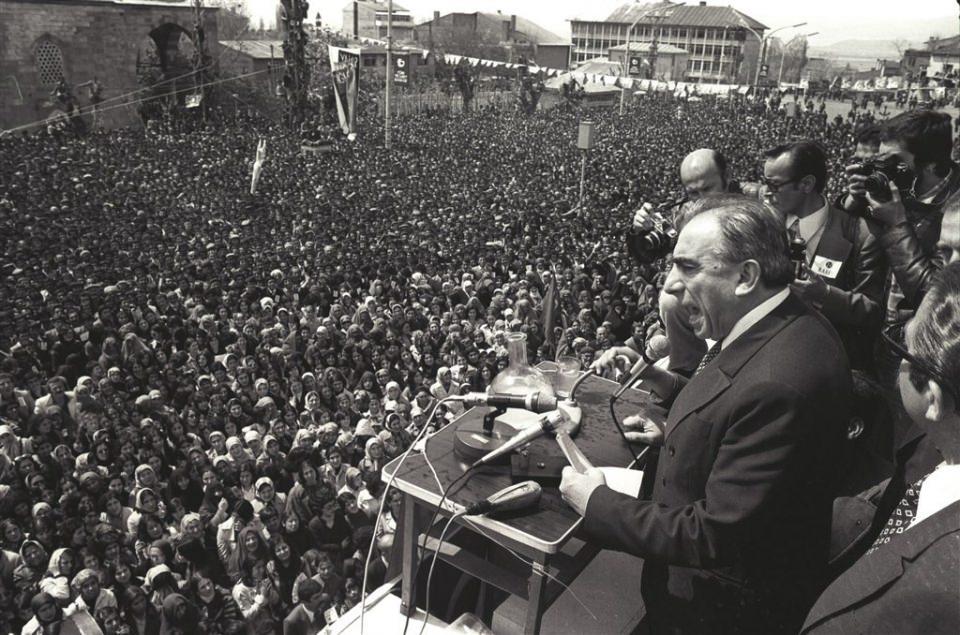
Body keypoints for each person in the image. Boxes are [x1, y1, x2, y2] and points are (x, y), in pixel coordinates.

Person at [564, 197, 852, 634]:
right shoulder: (778, 323)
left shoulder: (779, 383)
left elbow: (717, 533)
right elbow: (733, 417)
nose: (672, 284)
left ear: (747, 276)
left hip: (719, 613)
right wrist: (665, 394)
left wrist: (598, 505)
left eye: (689, 267)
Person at [801, 262, 960, 634]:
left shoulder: (943, 579)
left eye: (901, 345)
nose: (896, 358)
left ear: (933, 398)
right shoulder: (931, 447)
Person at [761, 140, 886, 372]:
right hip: (769, 356)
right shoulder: (766, 225)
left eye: (775, 184)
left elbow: (873, 311)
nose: (767, 192)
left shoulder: (860, 234)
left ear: (807, 184)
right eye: (765, 183)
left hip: (827, 363)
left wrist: (825, 295)